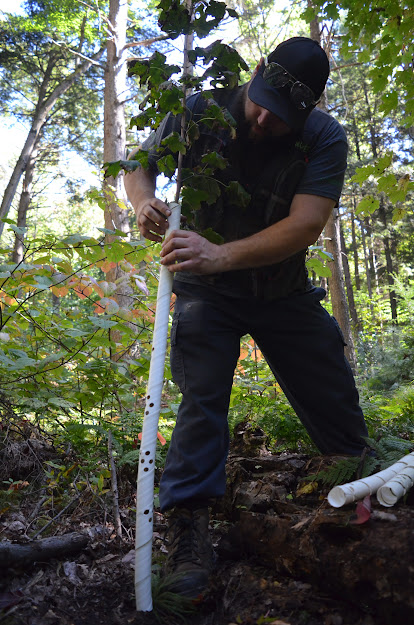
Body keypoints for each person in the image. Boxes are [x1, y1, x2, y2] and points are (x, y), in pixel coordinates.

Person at [125, 37, 369, 598]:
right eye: (261, 101)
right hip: (204, 289)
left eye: (282, 115)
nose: (263, 118)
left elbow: (307, 223)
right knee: (202, 394)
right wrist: (142, 201)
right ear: (256, 72)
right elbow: (139, 166)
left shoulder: (324, 138)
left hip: (280, 289)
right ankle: (189, 532)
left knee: (330, 386)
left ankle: (364, 492)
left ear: (310, 109)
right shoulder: (196, 111)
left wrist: (224, 253)